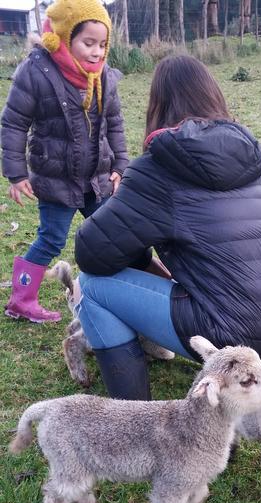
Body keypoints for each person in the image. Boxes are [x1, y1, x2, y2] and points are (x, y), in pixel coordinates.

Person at [74, 55, 261, 401]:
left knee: (92, 286)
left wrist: (118, 205)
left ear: (158, 105)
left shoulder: (157, 171)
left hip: (225, 327)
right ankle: (253, 366)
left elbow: (91, 253)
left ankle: (135, 416)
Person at [1, 0, 128, 324]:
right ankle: (21, 299)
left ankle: (109, 293)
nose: (97, 52)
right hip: (56, 180)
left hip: (97, 178)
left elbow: (114, 124)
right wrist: (16, 174)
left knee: (108, 233)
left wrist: (120, 167)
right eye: (88, 43)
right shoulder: (37, 71)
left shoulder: (103, 78)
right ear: (64, 36)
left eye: (102, 44)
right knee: (51, 239)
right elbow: (14, 123)